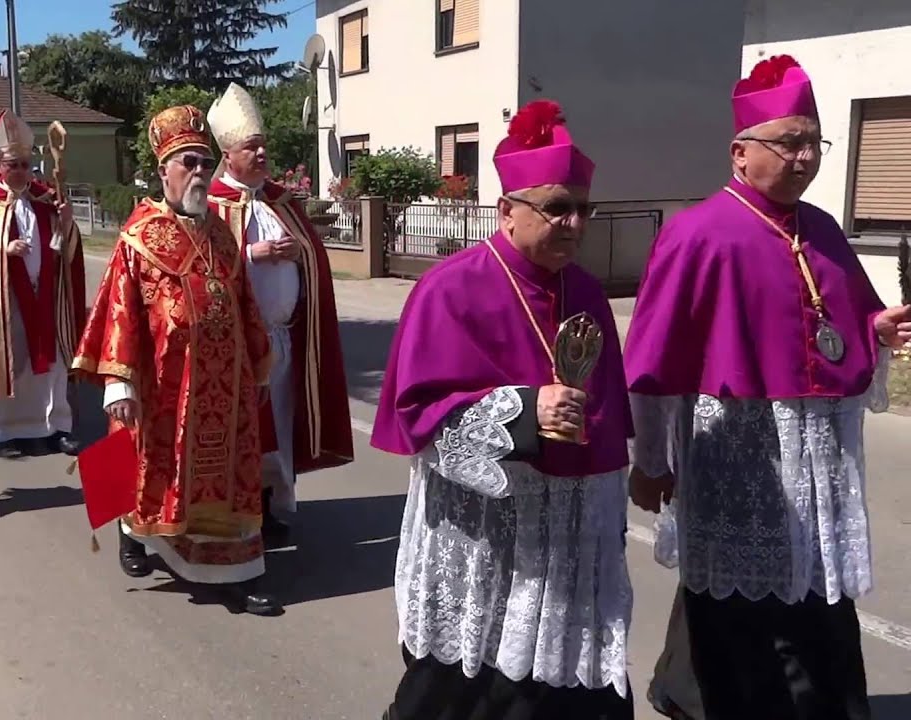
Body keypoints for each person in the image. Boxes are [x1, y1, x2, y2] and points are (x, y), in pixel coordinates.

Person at [624, 55, 911, 720]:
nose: (807, 156)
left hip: (821, 456)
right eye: (791, 141)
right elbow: (654, 361)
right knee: (736, 604)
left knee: (814, 591)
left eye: (815, 140)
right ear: (740, 152)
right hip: (740, 454)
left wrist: (877, 327)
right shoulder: (697, 234)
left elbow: (841, 320)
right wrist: (649, 462)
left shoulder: (824, 229)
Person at [371, 100, 634, 720]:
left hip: (569, 528)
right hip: (484, 536)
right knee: (465, 688)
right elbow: (420, 417)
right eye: (556, 208)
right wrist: (520, 412)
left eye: (582, 209)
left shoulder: (586, 291)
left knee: (571, 681)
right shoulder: (451, 288)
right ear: (506, 211)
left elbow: (609, 413)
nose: (573, 223)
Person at [74, 104, 280, 615]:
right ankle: (131, 532)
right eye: (187, 162)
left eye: (204, 163)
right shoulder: (138, 237)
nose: (198, 172)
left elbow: (243, 303)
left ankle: (236, 571)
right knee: (150, 471)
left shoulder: (221, 234)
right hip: (163, 385)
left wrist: (259, 365)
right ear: (163, 170)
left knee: (227, 479)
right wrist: (118, 385)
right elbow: (118, 311)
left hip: (225, 386)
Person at [206, 83, 354, 540]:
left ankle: (269, 506)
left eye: (263, 144)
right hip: (238, 345)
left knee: (282, 426)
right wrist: (254, 254)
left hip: (285, 337)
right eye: (252, 146)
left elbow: (313, 258)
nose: (263, 151)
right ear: (229, 154)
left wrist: (299, 254)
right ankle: (240, 511)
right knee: (247, 431)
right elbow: (201, 269)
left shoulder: (280, 201)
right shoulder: (209, 205)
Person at [0, 109, 86, 456]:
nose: (19, 171)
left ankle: (58, 426)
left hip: (48, 294)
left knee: (54, 363)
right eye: (12, 165)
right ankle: (14, 430)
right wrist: (3, 249)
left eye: (24, 165)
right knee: (15, 363)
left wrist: (67, 222)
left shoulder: (45, 197)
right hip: (7, 299)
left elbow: (67, 251)